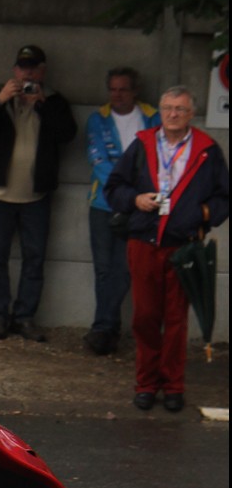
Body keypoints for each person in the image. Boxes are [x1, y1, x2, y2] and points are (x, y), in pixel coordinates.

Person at [104, 86, 229, 412]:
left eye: (180, 109)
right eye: (168, 108)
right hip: (143, 242)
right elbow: (114, 187)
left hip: (184, 248)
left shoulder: (207, 149)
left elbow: (223, 198)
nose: (173, 114)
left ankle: (173, 386)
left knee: (176, 320)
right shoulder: (143, 144)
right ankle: (146, 384)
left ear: (190, 115)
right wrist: (135, 200)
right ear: (160, 111)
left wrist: (202, 214)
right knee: (144, 316)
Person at [0, 44, 77, 341]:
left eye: (33, 67)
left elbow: (67, 134)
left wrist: (41, 103)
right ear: (14, 70)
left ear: (42, 71)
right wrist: (1, 100)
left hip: (36, 196)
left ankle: (26, 316)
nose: (27, 72)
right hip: (0, 192)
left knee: (35, 257)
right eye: (22, 67)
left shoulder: (54, 101)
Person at [83, 67, 159, 354]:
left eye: (123, 89)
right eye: (113, 89)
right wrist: (128, 193)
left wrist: (136, 197)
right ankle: (105, 329)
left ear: (134, 91)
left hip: (142, 207)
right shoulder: (97, 119)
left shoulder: (153, 117)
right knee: (104, 269)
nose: (117, 95)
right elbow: (98, 161)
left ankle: (104, 328)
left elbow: (156, 161)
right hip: (103, 205)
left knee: (127, 269)